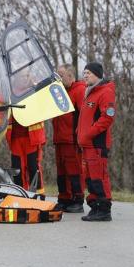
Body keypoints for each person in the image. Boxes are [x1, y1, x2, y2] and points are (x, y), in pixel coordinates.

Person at [76, 62, 116, 222]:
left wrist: (89, 133)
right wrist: (79, 133)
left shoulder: (105, 92)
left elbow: (107, 117)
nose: (85, 75)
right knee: (90, 177)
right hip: (86, 144)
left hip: (96, 144)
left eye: (89, 73)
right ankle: (95, 207)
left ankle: (104, 209)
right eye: (84, 73)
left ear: (97, 75)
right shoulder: (89, 92)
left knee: (99, 176)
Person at [6, 66, 46, 194]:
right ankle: (20, 194)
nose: (26, 78)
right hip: (15, 138)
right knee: (17, 169)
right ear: (16, 77)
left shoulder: (35, 90)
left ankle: (39, 195)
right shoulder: (9, 92)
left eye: (28, 75)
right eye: (23, 76)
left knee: (34, 167)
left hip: (32, 138)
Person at [52, 64, 87, 212]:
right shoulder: (60, 91)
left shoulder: (79, 90)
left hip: (71, 139)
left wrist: (80, 137)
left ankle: (77, 200)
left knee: (74, 170)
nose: (58, 78)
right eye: (57, 75)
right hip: (60, 138)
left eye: (61, 75)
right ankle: (64, 198)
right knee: (61, 171)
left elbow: (84, 116)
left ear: (70, 75)